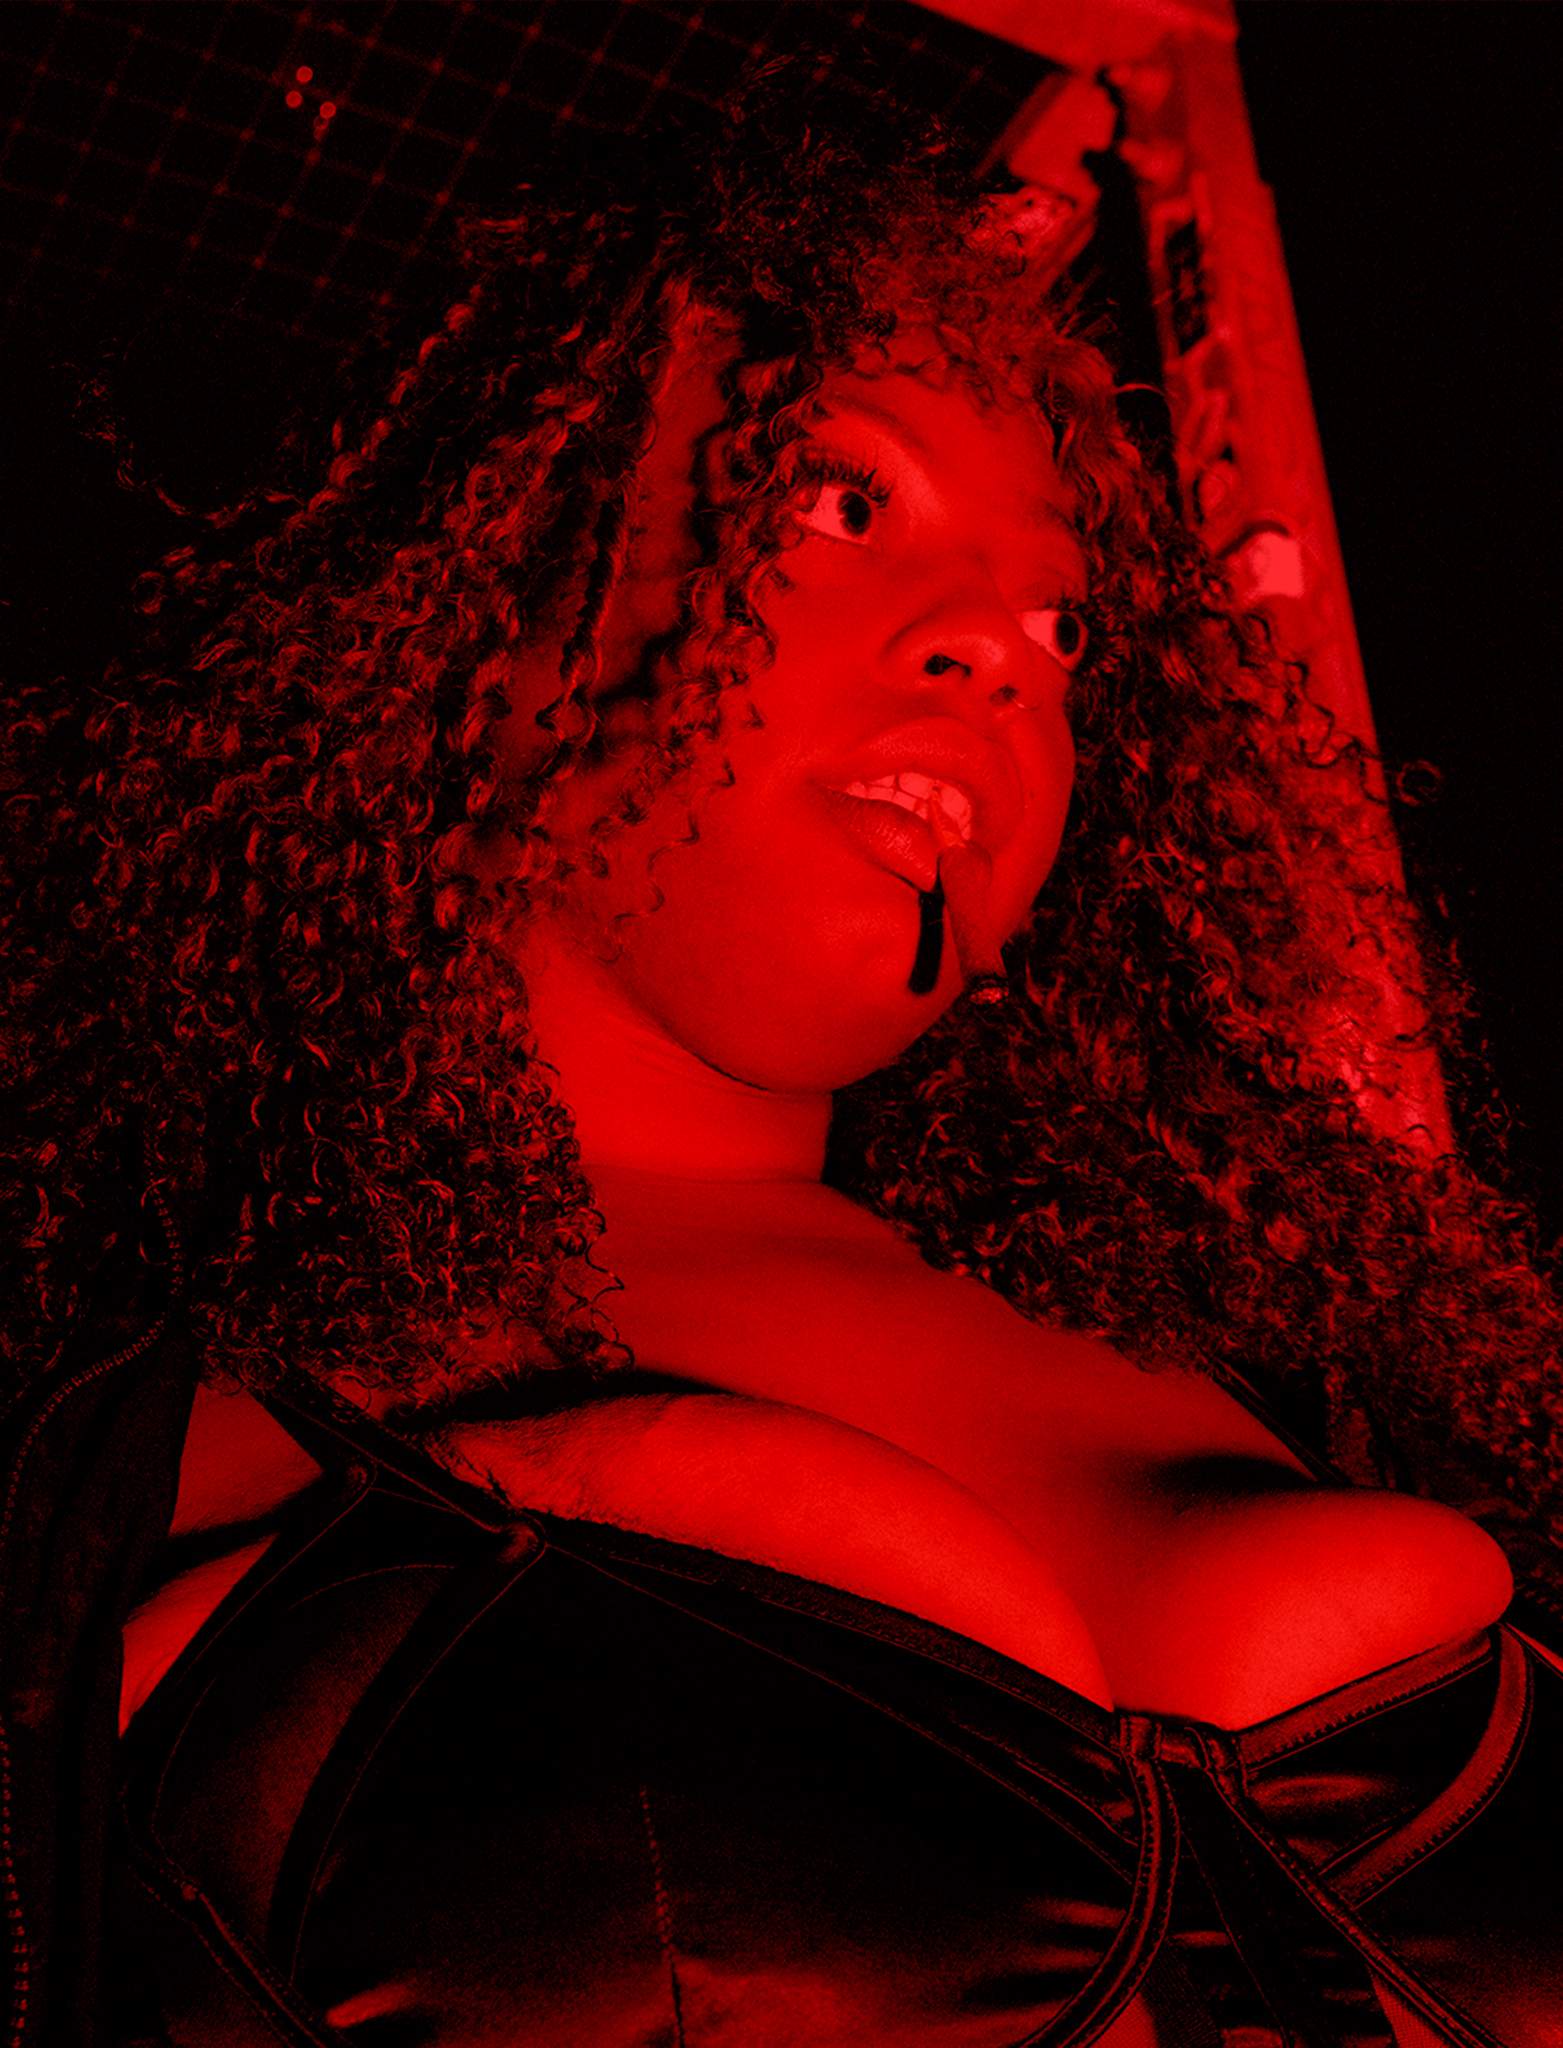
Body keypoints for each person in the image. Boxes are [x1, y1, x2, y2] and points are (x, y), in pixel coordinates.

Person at [4, 73, 1561, 2048]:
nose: (995, 648)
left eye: (1063, 620)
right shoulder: (103, 1417)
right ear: (497, 599)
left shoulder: (1306, 1364)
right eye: (840, 501)